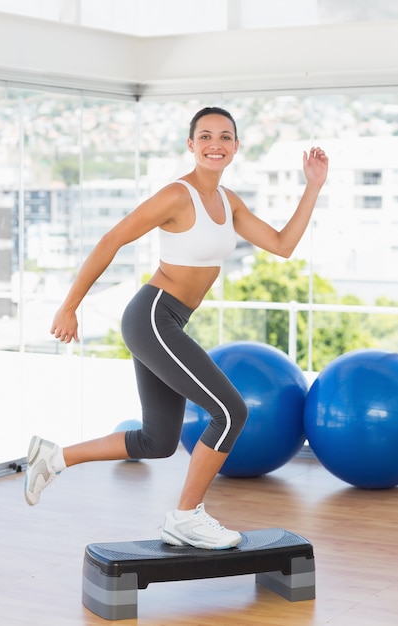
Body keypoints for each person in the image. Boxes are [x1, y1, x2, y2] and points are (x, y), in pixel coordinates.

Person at [24, 106, 328, 550]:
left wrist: (313, 186)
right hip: (152, 315)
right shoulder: (176, 196)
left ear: (236, 147)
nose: (215, 145)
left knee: (159, 440)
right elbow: (112, 239)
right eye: (205, 136)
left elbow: (282, 246)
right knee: (231, 412)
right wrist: (70, 306)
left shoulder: (229, 202)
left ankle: (54, 457)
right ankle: (185, 517)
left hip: (168, 319)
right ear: (191, 145)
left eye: (225, 137)